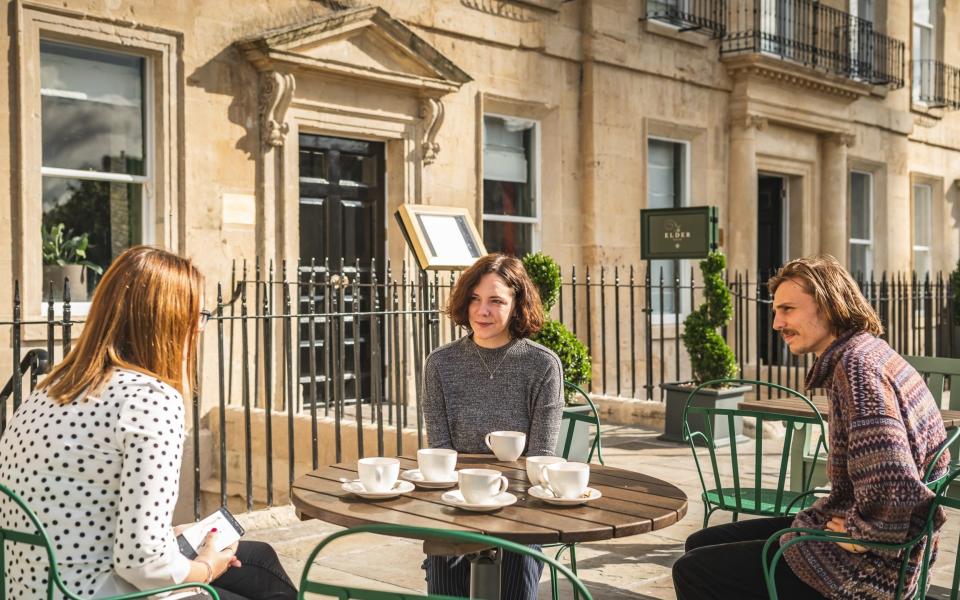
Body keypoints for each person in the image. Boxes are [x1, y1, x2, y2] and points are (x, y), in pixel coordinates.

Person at [0, 246, 297, 600]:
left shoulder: (48, 390)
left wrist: (169, 535)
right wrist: (205, 567)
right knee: (242, 578)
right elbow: (142, 564)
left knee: (258, 557)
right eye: (199, 314)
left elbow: (80, 506)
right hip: (96, 591)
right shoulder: (150, 400)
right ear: (170, 320)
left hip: (32, 586)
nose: (201, 329)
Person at [672, 254, 950, 600]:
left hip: (875, 569)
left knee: (695, 569)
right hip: (892, 544)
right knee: (701, 542)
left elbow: (896, 482)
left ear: (829, 307)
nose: (777, 323)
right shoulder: (866, 353)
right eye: (776, 311)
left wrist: (862, 535)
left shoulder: (857, 369)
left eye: (788, 309)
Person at [421, 253, 564, 598]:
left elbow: (541, 458)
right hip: (456, 501)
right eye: (475, 298)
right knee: (443, 568)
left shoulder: (542, 365)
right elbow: (441, 452)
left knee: (519, 564)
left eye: (496, 301)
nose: (482, 311)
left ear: (517, 304)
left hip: (518, 506)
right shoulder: (440, 364)